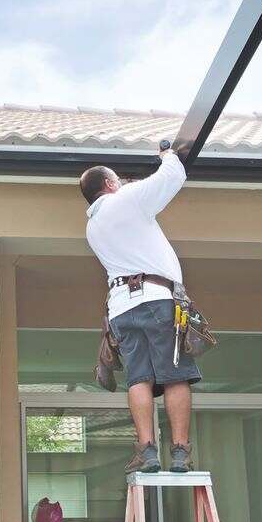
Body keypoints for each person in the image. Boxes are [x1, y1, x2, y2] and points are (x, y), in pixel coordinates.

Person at [80, 143, 200, 474]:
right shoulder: (126, 199)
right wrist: (166, 154)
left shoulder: (93, 226)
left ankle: (147, 450)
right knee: (175, 376)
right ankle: (179, 451)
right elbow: (173, 175)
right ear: (109, 184)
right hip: (157, 301)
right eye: (117, 180)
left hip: (121, 309)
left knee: (139, 378)